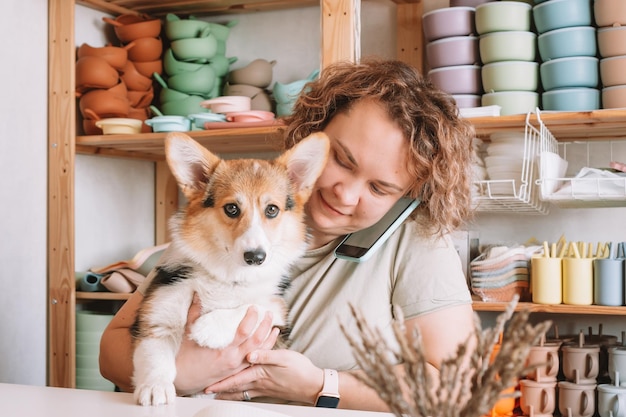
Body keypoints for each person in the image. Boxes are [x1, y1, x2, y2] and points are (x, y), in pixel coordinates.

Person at [99, 58, 477, 411]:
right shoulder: (222, 225)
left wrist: (319, 386)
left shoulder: (417, 240)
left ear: (407, 194)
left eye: (379, 188)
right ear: (312, 135)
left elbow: (457, 388)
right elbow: (111, 350)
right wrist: (184, 372)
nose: (345, 195)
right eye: (342, 160)